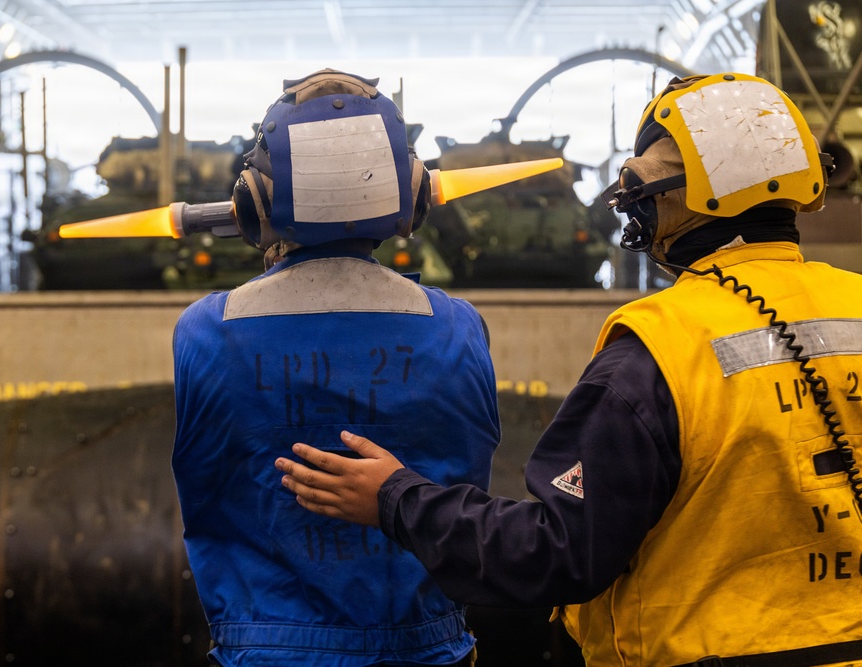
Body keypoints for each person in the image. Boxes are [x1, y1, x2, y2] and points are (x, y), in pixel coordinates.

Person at [276, 72, 862, 666]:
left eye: (647, 192)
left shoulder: (662, 347)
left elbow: (555, 552)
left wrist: (395, 498)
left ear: (690, 198)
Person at [171, 69, 501, 666]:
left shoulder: (205, 333)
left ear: (253, 202)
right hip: (430, 650)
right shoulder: (459, 328)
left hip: (265, 655)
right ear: (413, 195)